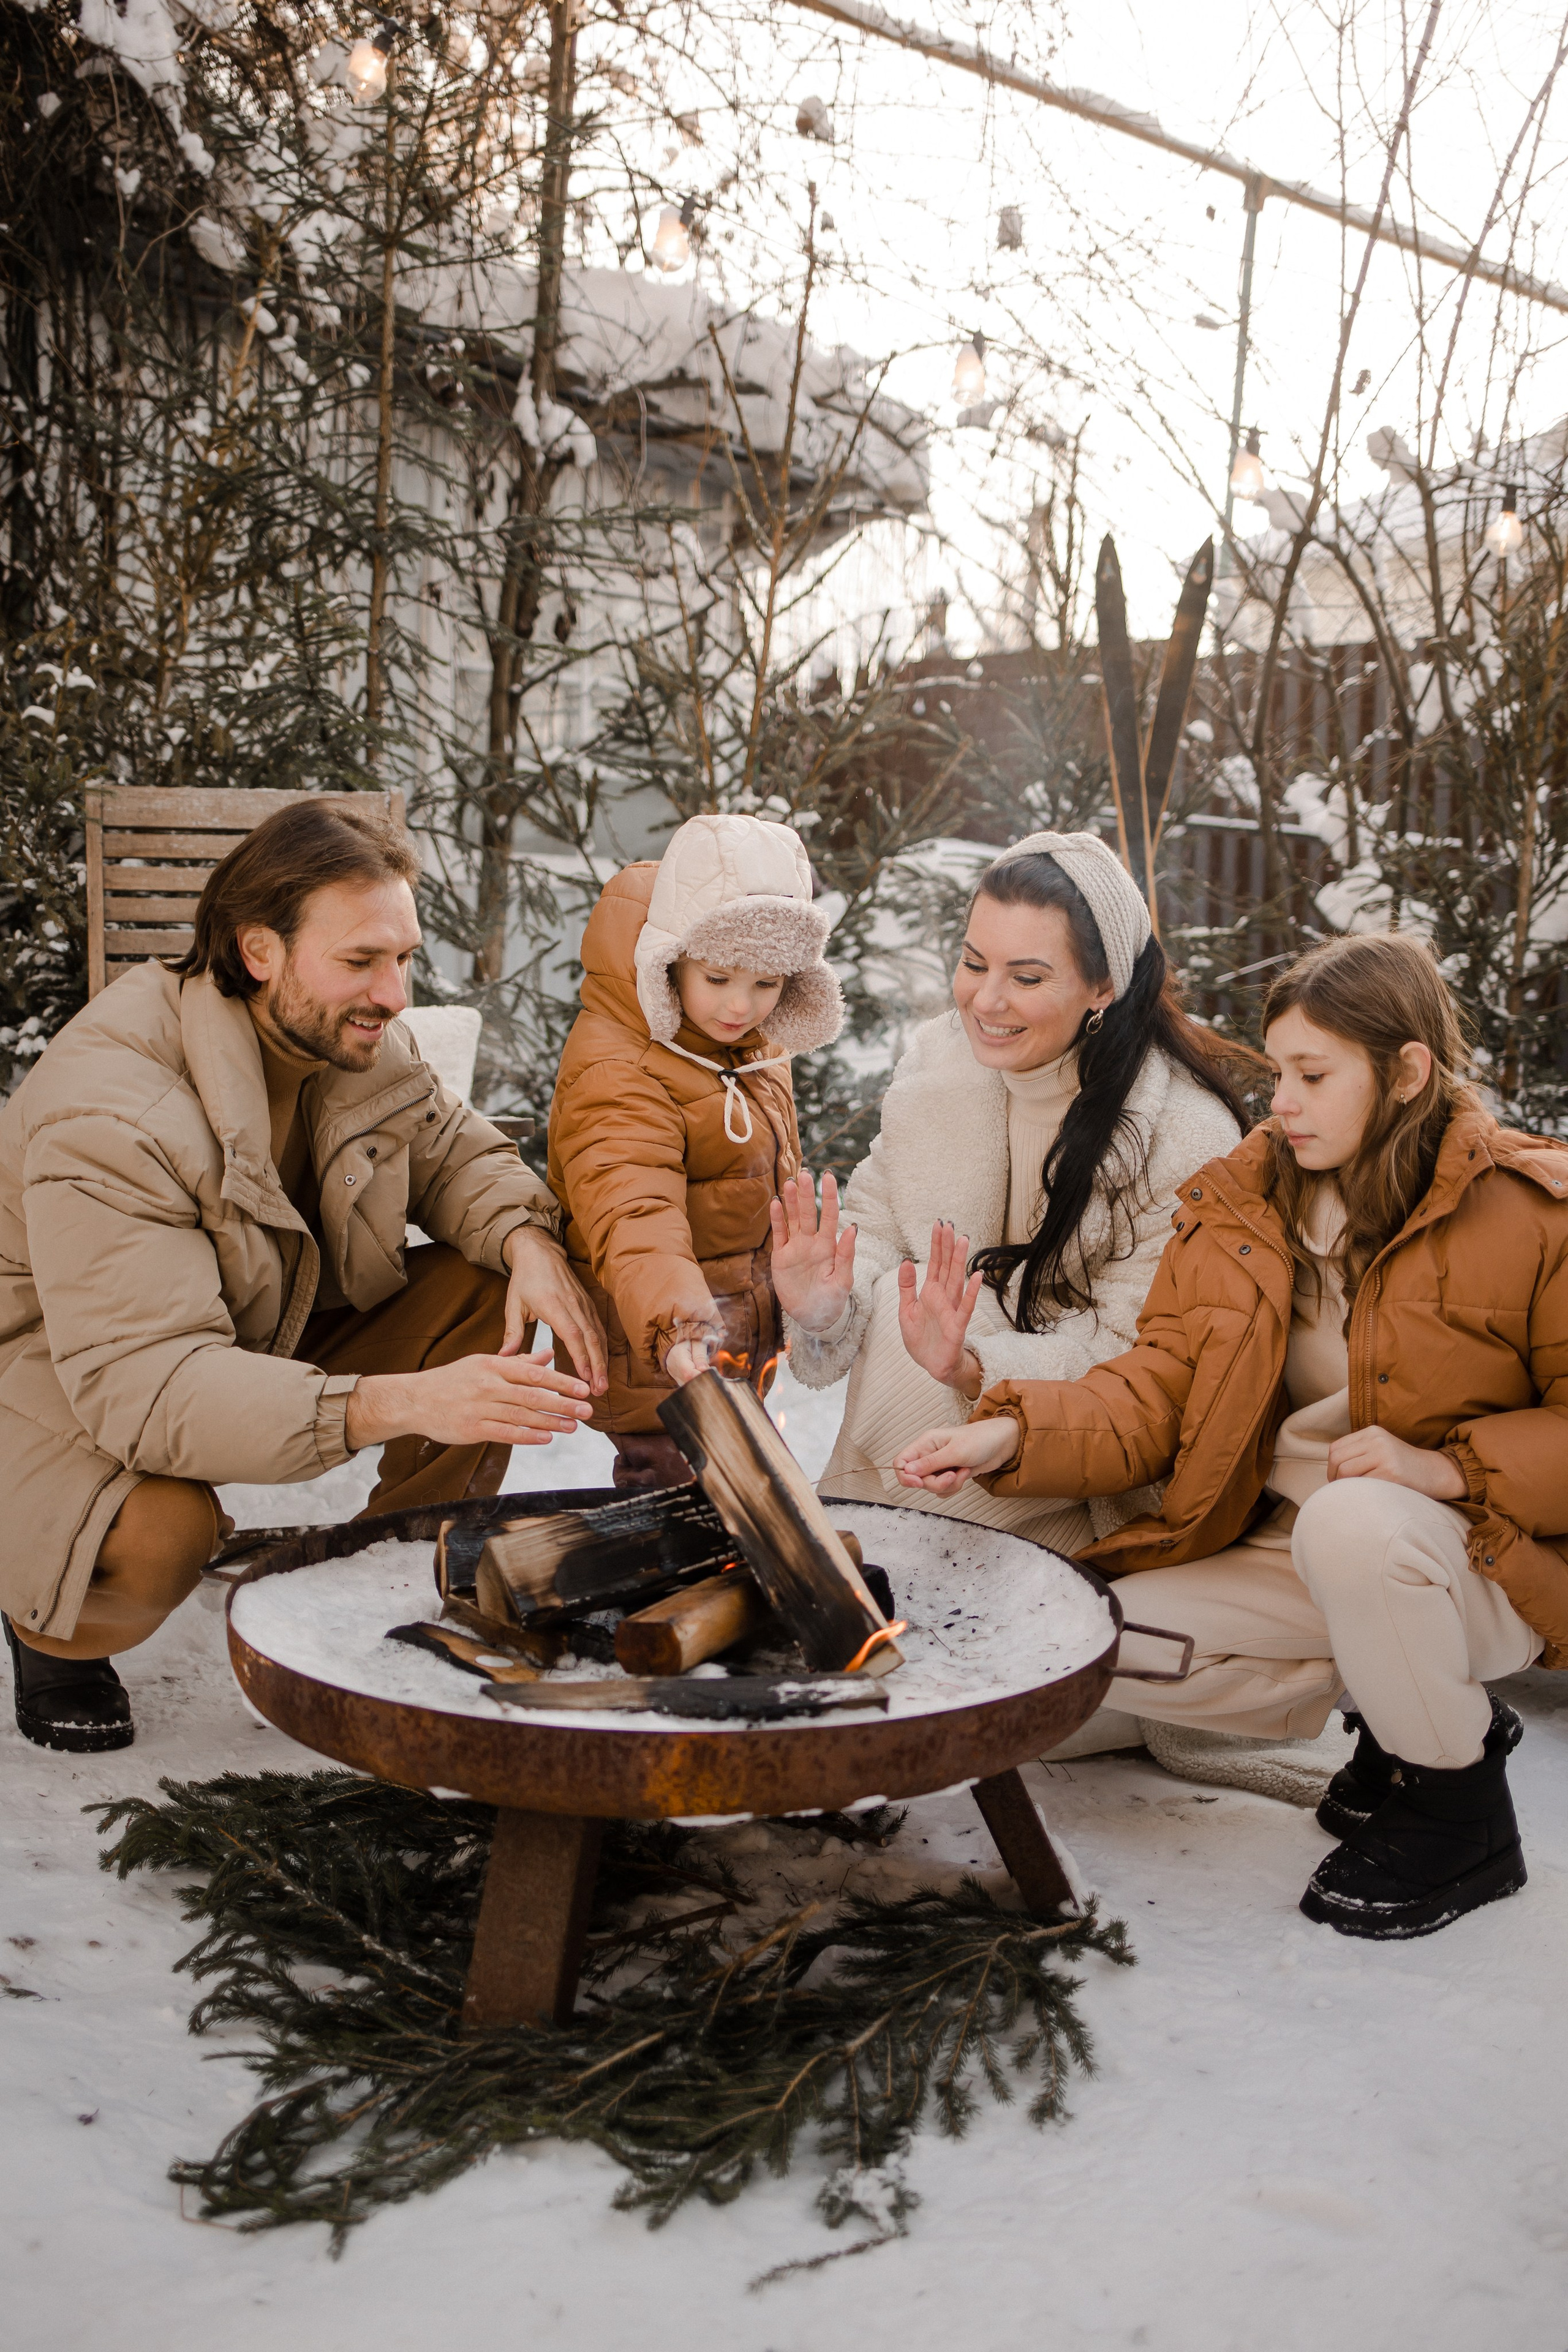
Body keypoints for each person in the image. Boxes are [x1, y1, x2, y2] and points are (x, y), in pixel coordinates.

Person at [894, 932, 1566, 1940]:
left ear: (1407, 1073)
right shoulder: (1243, 1209)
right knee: (1094, 1644)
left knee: (1356, 1525)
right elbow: (1160, 1386)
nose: (1281, 1102)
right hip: (1291, 1556)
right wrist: (1008, 1432)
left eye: (1313, 1076)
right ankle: (1411, 1713)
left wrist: (1443, 1468)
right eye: (1277, 1072)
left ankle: (1461, 1813)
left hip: (1471, 1558)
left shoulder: (1533, 1210)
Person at [0, 801, 607, 1754]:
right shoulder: (114, 1114)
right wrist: (400, 1402)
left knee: (485, 1292)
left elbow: (453, 1154)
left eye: (403, 959)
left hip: (247, 1318)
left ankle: (390, 1575)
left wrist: (527, 1241)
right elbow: (146, 1388)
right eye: (361, 960)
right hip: (63, 1380)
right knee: (161, 1535)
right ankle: (49, 1627)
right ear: (259, 951)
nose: (394, 994)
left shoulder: (350, 1038)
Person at [772, 831, 1245, 1550]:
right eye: (972, 963)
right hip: (920, 1437)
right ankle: (858, 1551)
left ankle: (865, 1553)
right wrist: (826, 1309)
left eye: (1025, 978)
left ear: (1103, 988)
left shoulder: (1183, 1135)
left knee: (918, 1321)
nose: (984, 1000)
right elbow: (879, 1226)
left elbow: (1140, 1359)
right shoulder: (941, 1065)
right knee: (906, 1306)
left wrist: (976, 1366)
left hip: (1068, 1469)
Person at [548, 812, 843, 1490]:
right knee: (683, 1502)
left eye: (766, 984)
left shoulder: (745, 1046)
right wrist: (680, 1327)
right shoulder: (622, 1066)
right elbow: (632, 1209)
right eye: (717, 978)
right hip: (658, 1348)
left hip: (724, 1344)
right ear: (670, 957)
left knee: (748, 1500)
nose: (741, 1006)